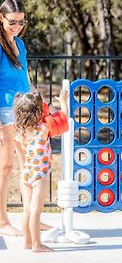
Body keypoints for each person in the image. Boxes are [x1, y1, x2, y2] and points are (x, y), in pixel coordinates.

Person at [14, 90, 68, 252]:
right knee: (36, 213)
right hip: (40, 175)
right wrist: (63, 101)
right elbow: (63, 120)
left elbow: (20, 152)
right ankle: (37, 245)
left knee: (27, 211)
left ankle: (27, 242)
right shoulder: (44, 128)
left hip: (27, 174)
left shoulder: (20, 132)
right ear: (39, 112)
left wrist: (25, 169)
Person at [0, 0, 31, 236]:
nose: (17, 26)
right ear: (1, 17)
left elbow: (25, 80)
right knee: (6, 166)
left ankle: (30, 219)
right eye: (12, 21)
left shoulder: (19, 44)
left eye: (21, 22)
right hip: (4, 111)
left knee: (28, 166)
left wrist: (36, 103)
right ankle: (2, 221)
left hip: (23, 111)